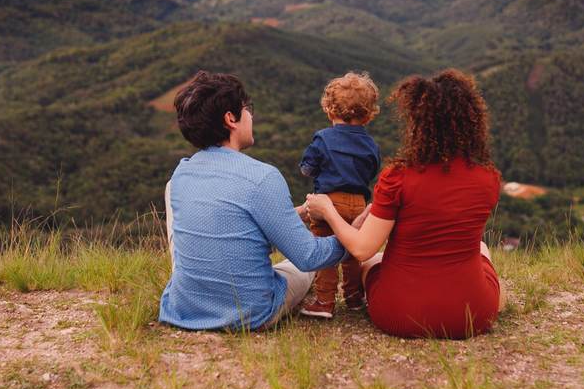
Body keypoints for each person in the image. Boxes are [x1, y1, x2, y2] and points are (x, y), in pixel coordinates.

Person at [305, 69, 505, 339]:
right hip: (472, 317)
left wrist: (327, 209)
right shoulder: (490, 179)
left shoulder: (398, 177)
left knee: (370, 262)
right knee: (481, 248)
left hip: (398, 313)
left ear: (417, 122)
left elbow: (362, 249)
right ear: (472, 122)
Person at [158, 71, 351, 332]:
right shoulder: (262, 177)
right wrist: (357, 235)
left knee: (177, 201)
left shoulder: (180, 175)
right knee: (299, 268)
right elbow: (308, 256)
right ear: (231, 119)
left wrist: (293, 215)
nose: (251, 115)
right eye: (246, 109)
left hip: (183, 308)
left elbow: (229, 222)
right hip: (249, 314)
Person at [298, 72, 382, 319]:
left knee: (326, 251)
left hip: (329, 203)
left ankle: (324, 301)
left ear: (330, 113)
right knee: (353, 252)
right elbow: (373, 171)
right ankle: (354, 297)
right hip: (358, 204)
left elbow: (307, 169)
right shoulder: (370, 144)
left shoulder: (323, 137)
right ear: (367, 117)